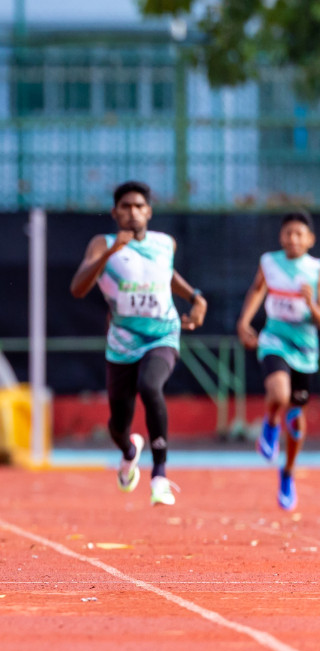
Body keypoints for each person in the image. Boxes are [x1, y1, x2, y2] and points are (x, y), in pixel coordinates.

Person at [69, 180, 206, 506]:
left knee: (151, 386)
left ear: (149, 211)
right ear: (115, 212)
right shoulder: (102, 244)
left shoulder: (165, 243)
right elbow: (77, 288)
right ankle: (129, 451)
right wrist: (113, 251)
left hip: (162, 333)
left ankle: (160, 475)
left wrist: (195, 297)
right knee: (118, 424)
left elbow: (164, 274)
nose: (133, 212)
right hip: (122, 343)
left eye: (139, 206)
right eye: (126, 207)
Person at [236, 212, 320, 510]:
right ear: (280, 237)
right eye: (288, 233)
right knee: (279, 394)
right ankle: (271, 423)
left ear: (310, 239)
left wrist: (311, 304)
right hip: (274, 339)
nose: (293, 239)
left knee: (297, 419)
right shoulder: (269, 262)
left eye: (299, 234)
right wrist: (244, 322)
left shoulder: (316, 270)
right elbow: (258, 289)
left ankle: (288, 472)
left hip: (306, 349)